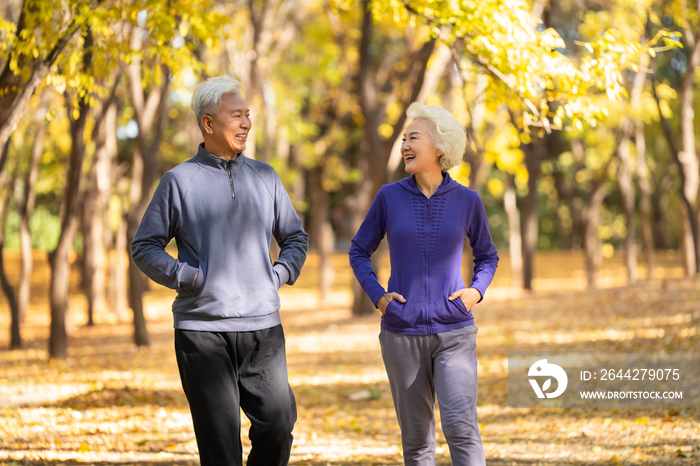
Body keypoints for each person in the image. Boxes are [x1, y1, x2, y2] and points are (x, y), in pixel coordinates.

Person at [131, 76, 308, 466]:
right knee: (220, 449)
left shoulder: (266, 177)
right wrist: (188, 277)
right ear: (208, 124)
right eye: (236, 115)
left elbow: (295, 237)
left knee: (278, 425)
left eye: (248, 115)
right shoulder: (178, 181)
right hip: (202, 332)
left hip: (263, 328)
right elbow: (144, 247)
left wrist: (277, 275)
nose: (246, 123)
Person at [349, 103, 499, 465]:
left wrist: (475, 291)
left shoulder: (468, 201)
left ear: (440, 148)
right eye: (403, 139)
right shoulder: (389, 196)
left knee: (461, 429)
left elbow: (488, 256)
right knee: (417, 441)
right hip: (402, 333)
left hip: (455, 332)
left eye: (412, 138)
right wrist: (379, 297)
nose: (404, 146)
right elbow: (358, 251)